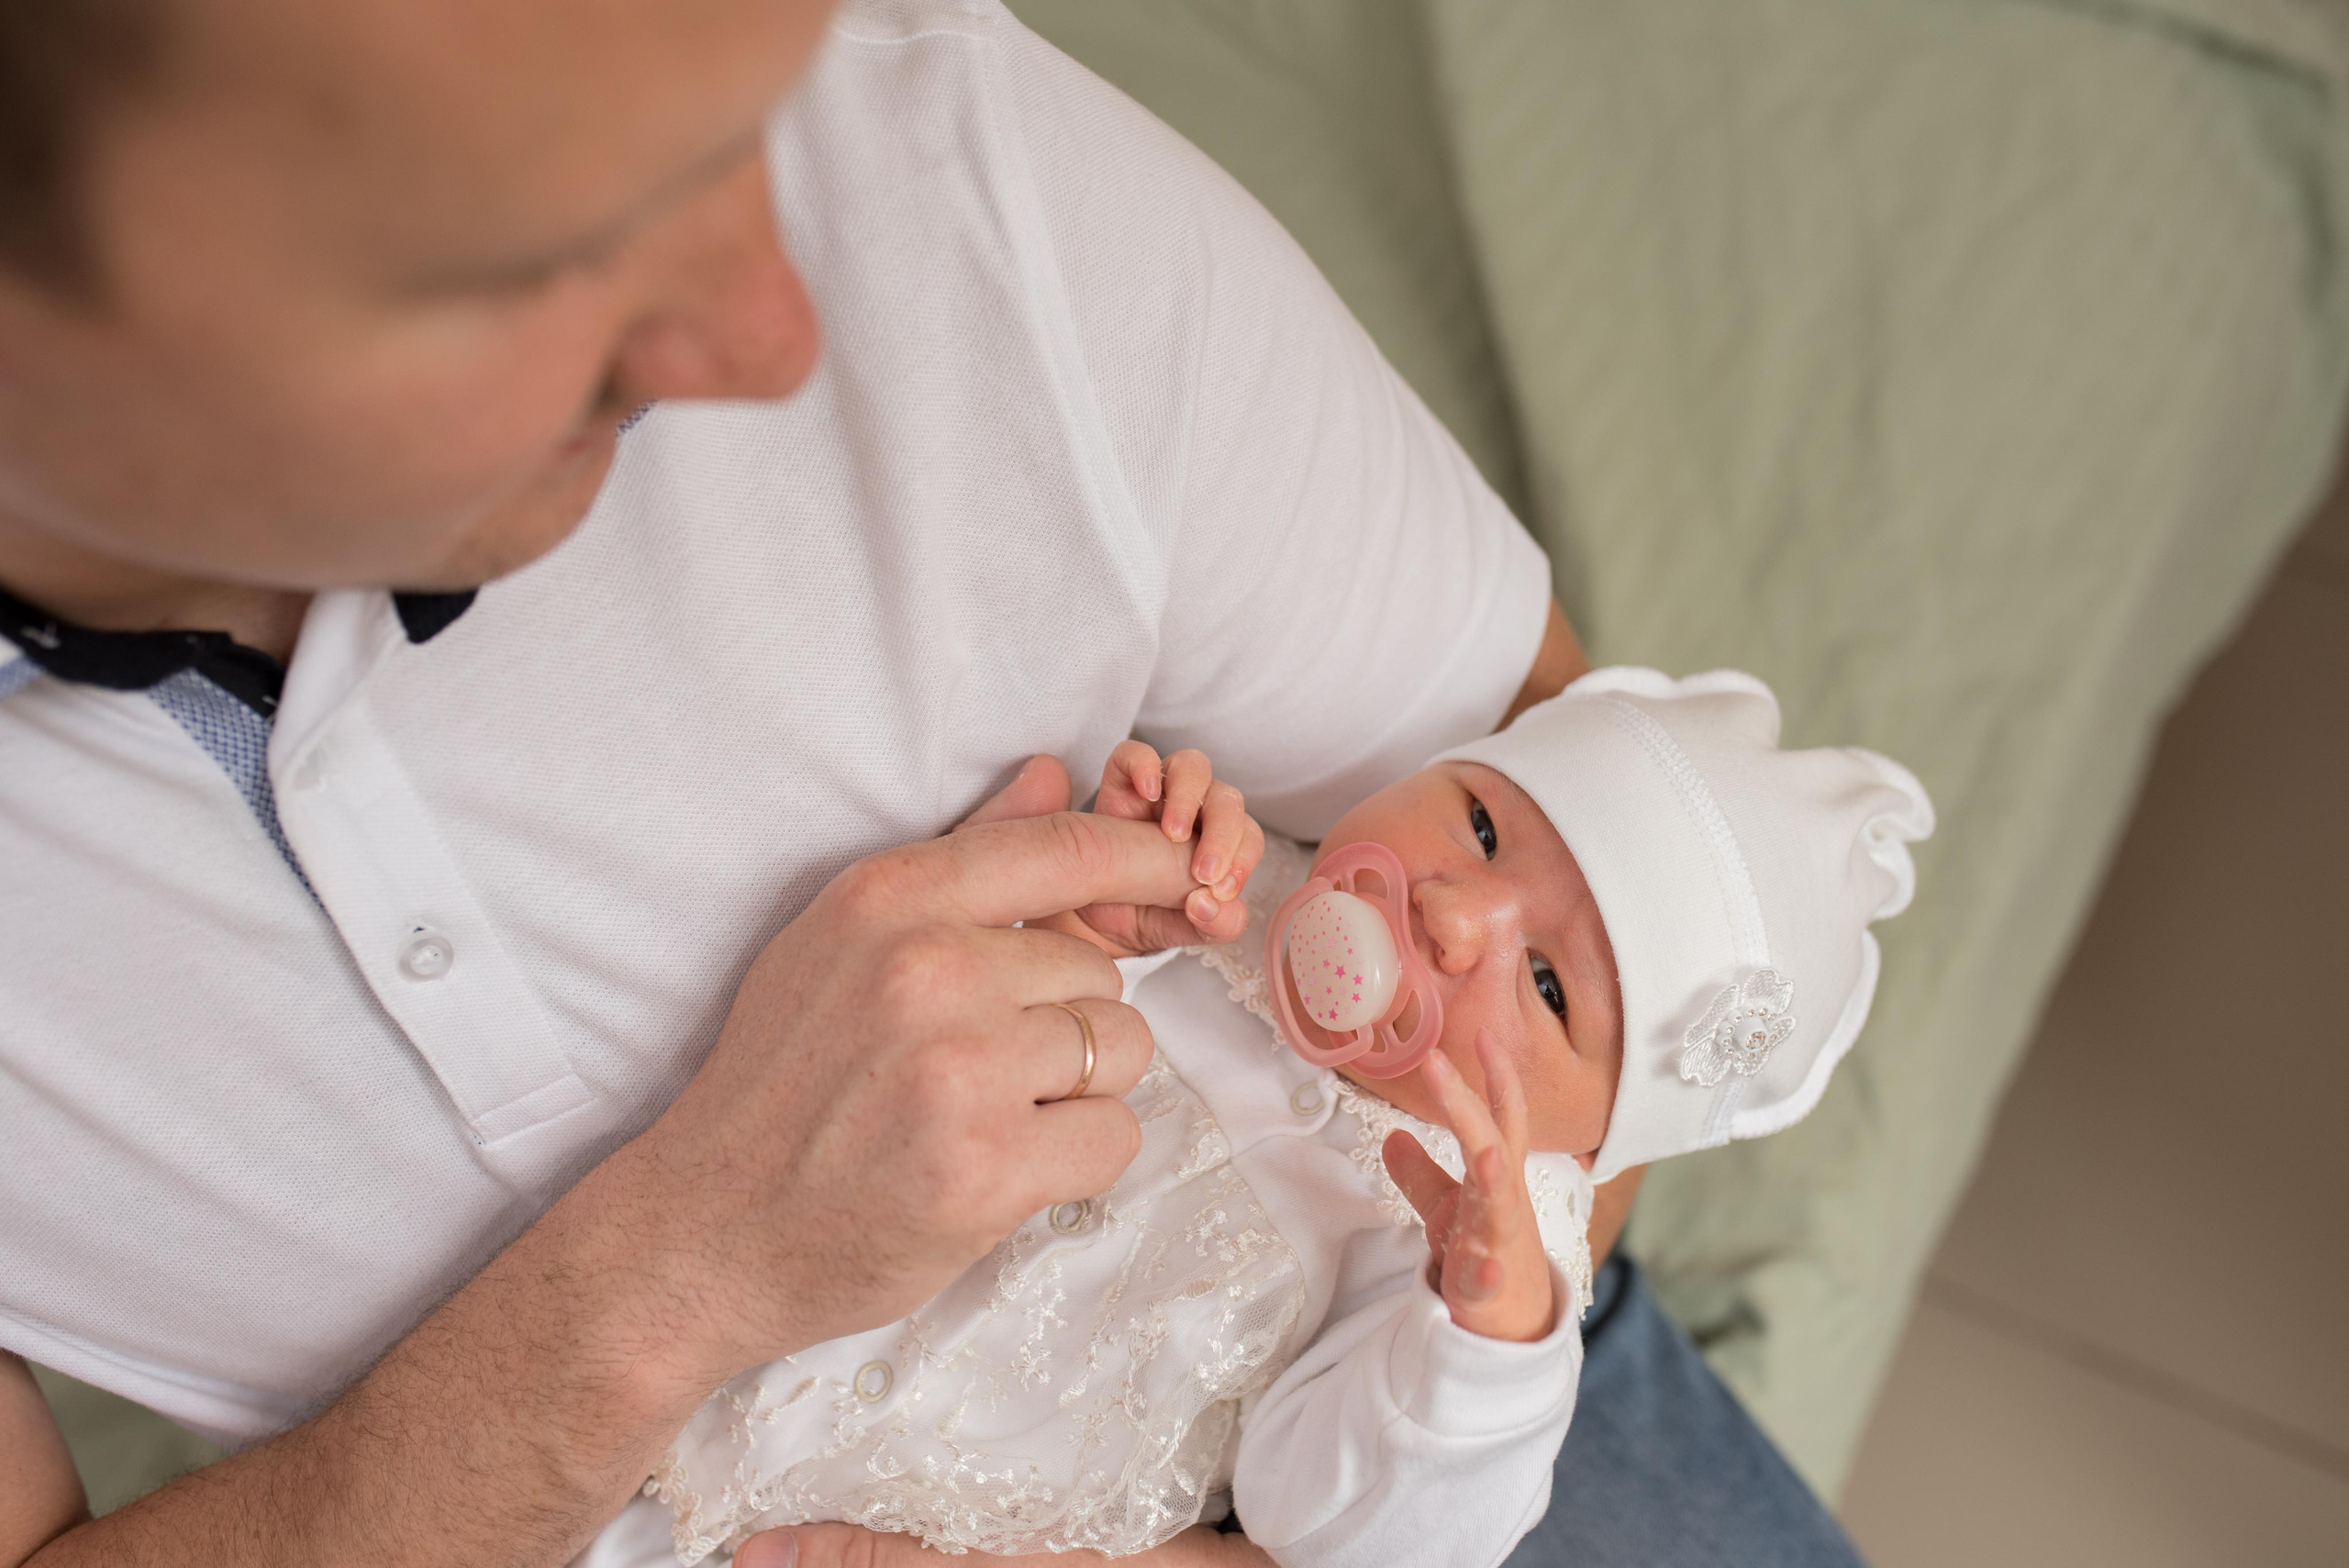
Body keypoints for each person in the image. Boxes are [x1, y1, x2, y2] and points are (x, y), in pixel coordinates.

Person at [0, 0, 1866, 1564]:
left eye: (736, 138)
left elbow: (1581, 822)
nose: (773, 339)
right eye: (539, 259)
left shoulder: (946, 168)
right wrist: (662, 1286)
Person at [649, 673, 1931, 1566]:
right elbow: (929, 1035)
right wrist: (1091, 909)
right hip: (705, 1371)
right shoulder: (1223, 897)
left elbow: (1327, 1523)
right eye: (1480, 823)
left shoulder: (1463, 1249)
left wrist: (1480, 1351)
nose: (1453, 913)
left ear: (1589, 1150)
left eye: (1544, 986)